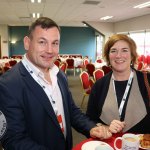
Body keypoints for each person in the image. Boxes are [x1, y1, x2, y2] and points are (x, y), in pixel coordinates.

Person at [0, 17, 112, 150]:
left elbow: (71, 111)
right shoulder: (7, 84)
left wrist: (91, 128)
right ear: (27, 43)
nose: (50, 50)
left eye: (55, 43)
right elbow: (14, 140)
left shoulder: (59, 74)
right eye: (42, 42)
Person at [86, 34, 150, 134]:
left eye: (124, 50)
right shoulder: (99, 86)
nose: (118, 55)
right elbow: (90, 121)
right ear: (108, 56)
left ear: (132, 55)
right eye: (113, 51)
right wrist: (105, 128)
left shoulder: (147, 81)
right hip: (108, 146)